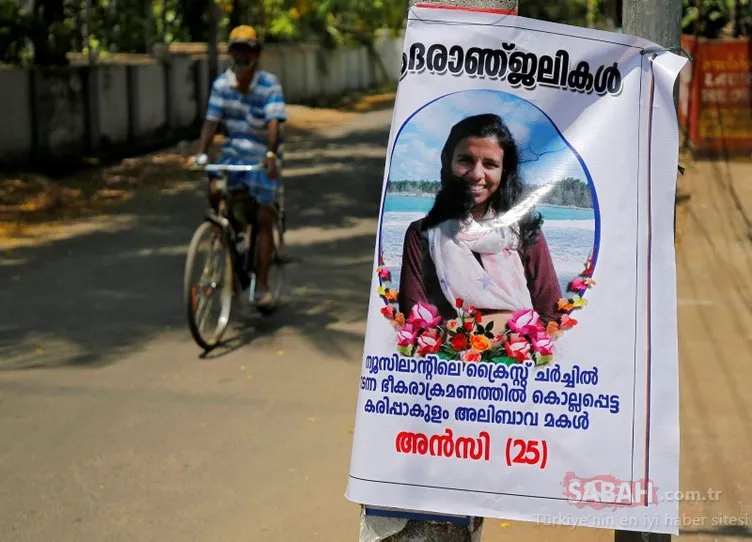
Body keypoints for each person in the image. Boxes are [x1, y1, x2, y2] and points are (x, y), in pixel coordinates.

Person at [397, 113, 564, 332]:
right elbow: (414, 323)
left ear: (504, 171)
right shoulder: (422, 234)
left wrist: (489, 335)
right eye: (465, 160)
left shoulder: (524, 231)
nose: (477, 174)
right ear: (448, 162)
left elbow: (551, 316)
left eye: (490, 164)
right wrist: (503, 322)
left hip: (517, 364)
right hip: (445, 363)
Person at [193, 24, 286, 310]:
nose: (242, 57)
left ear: (256, 55)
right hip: (232, 155)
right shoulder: (222, 84)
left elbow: (274, 124)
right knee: (216, 191)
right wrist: (201, 153)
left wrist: (271, 153)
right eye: (237, 52)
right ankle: (231, 239)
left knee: (263, 217)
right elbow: (211, 121)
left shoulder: (269, 84)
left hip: (260, 157)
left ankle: (263, 284)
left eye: (247, 51)